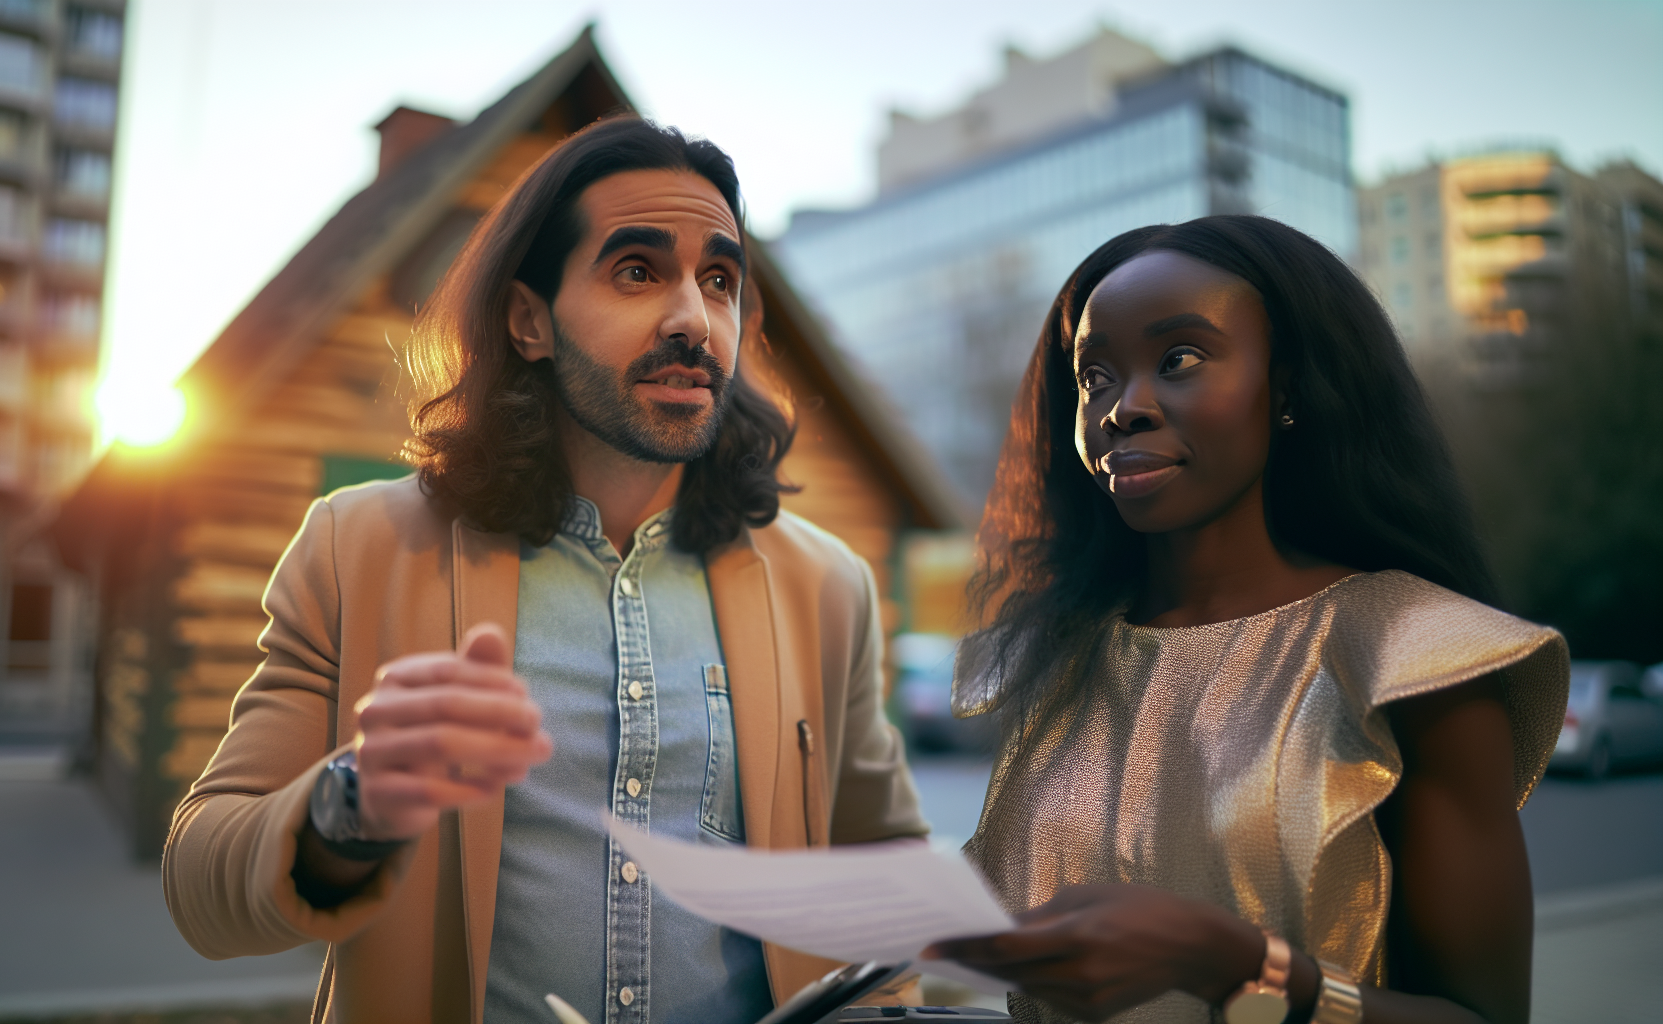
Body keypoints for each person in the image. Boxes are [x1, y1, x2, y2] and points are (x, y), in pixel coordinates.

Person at [162, 116, 928, 1024]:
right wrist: (350, 801)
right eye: (638, 270)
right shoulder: (355, 547)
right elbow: (200, 884)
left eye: (718, 280)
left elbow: (883, 872)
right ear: (530, 320)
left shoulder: (827, 587)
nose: (692, 316)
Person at [926, 216, 1567, 1024]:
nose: (1124, 408)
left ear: (1289, 387)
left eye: (1178, 359)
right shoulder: (1057, 664)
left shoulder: (1415, 658)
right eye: (1094, 377)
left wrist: (1241, 969)